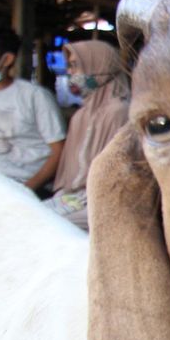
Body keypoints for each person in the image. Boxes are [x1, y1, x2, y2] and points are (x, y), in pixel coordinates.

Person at [0, 22, 65, 191]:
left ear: (7, 59)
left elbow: (58, 151)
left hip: (32, 185)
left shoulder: (35, 96)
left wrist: (25, 191)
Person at [43, 40, 130, 230]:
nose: (71, 73)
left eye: (75, 66)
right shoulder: (81, 115)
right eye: (70, 66)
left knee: (51, 224)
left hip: (105, 201)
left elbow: (116, 180)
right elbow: (70, 176)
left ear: (98, 65)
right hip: (76, 197)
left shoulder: (119, 112)